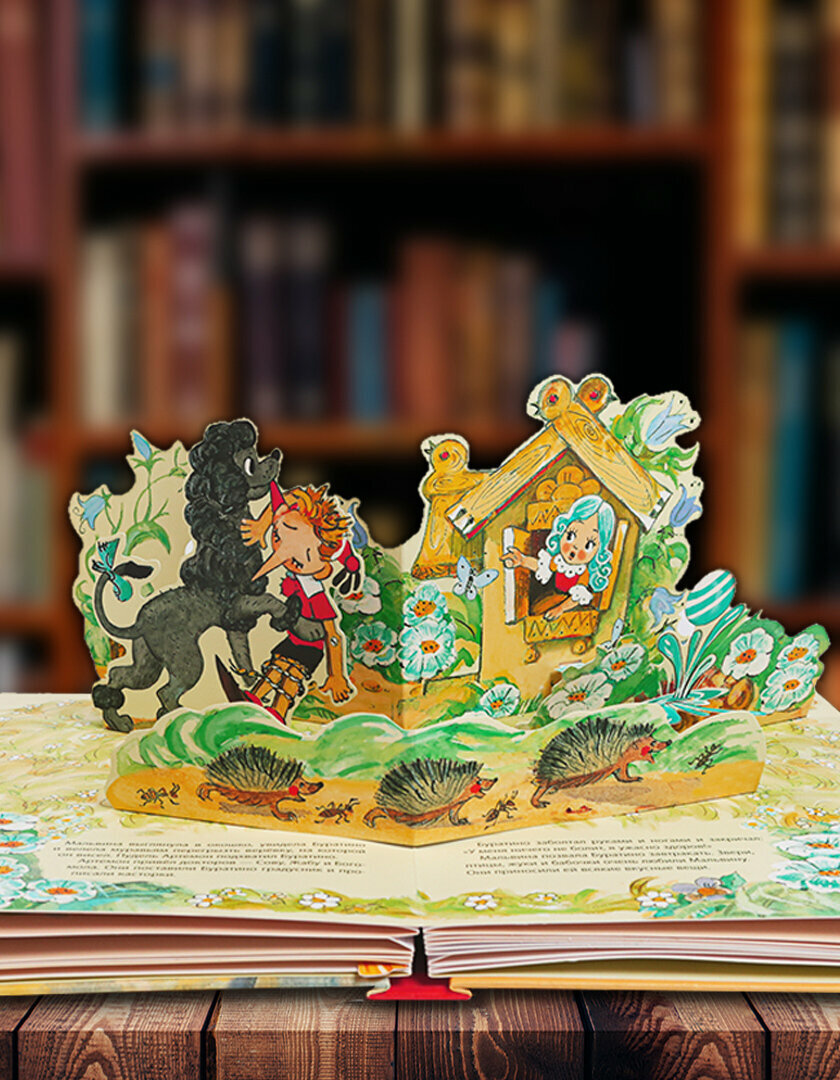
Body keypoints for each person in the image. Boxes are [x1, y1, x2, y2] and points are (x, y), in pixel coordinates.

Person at [502, 493, 616, 621]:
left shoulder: (583, 573)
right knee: (537, 608)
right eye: (571, 536)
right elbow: (539, 566)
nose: (575, 548)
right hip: (551, 597)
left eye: (588, 545)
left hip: (568, 606)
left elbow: (576, 598)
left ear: (598, 550)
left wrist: (560, 609)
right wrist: (522, 560)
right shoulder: (559, 561)